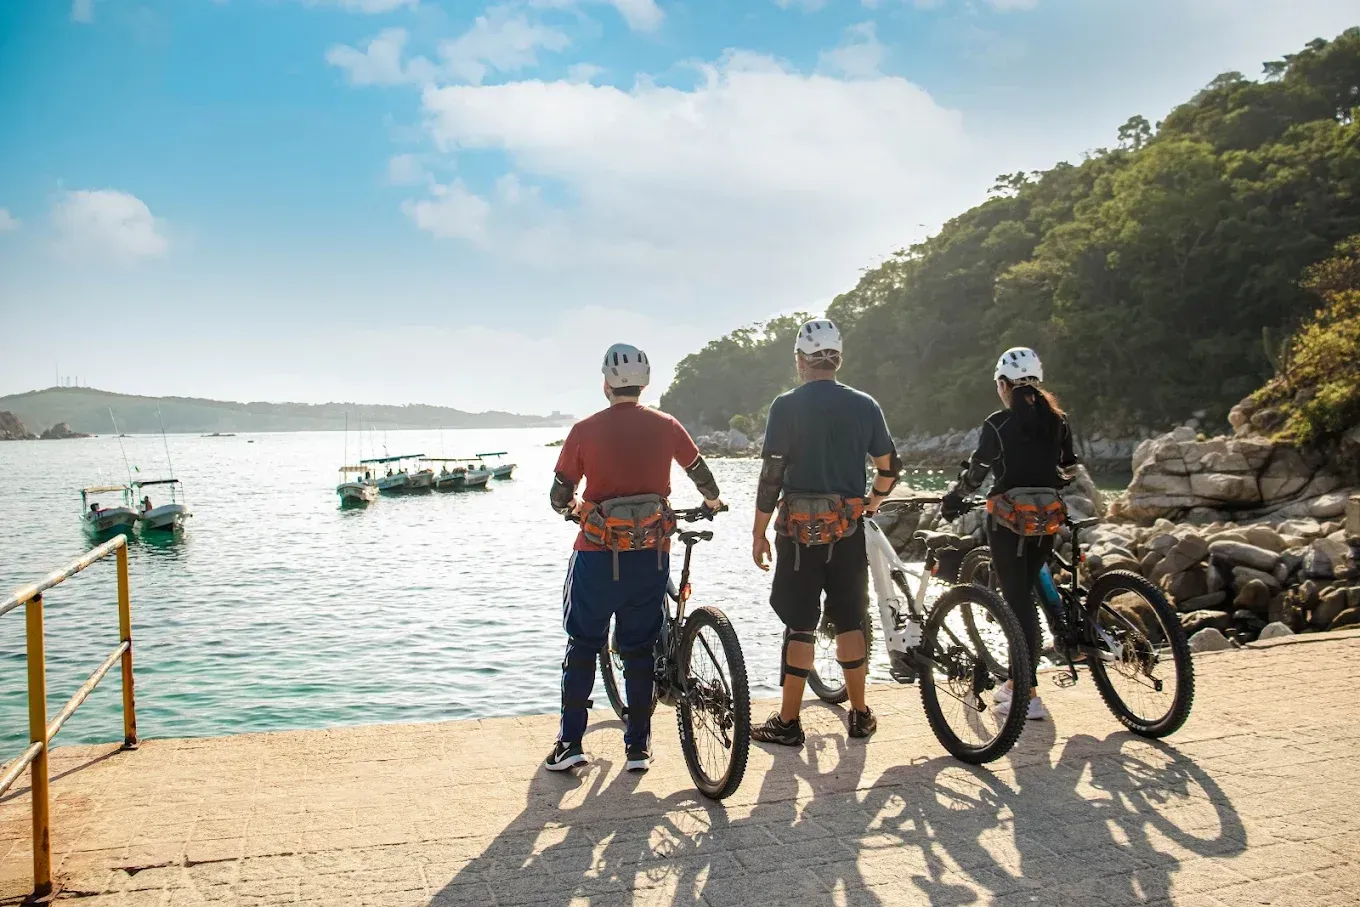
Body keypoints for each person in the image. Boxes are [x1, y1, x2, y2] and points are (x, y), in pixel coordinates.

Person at [545, 342, 724, 773]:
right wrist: (713, 501)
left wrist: (572, 508)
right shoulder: (667, 425)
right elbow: (700, 473)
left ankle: (570, 744)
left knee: (583, 645)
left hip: (596, 557)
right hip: (650, 557)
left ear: (606, 384)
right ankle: (638, 748)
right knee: (640, 649)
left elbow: (559, 495)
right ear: (644, 384)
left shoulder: (584, 430)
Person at [750, 319, 901, 746]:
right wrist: (872, 501)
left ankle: (788, 723)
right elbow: (890, 467)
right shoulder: (865, 405)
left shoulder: (785, 406)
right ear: (838, 359)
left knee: (800, 624)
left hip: (798, 537)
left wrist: (759, 532)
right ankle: (860, 714)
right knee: (850, 619)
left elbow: (771, 476)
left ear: (801, 360)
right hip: (846, 531)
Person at [941, 346, 1078, 722]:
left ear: (1003, 384)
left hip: (1008, 522)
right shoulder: (1059, 421)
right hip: (1046, 519)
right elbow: (1068, 468)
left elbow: (977, 472)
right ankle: (1018, 682)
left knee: (1017, 603)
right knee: (1027, 593)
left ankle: (1028, 694)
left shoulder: (998, 424)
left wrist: (954, 499)